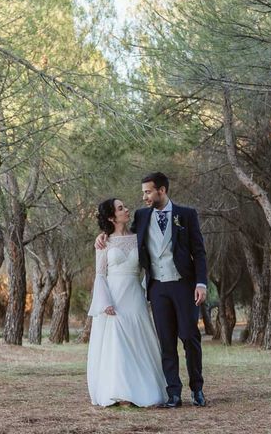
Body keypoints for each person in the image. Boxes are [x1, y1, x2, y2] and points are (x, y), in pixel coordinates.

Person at [96, 172, 208, 408]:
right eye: (143, 192)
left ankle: (197, 388)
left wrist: (201, 283)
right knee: (166, 342)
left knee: (189, 337)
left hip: (183, 284)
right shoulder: (142, 216)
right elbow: (125, 238)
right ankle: (173, 393)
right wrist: (102, 235)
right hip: (157, 288)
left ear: (162, 190)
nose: (144, 196)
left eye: (148, 191)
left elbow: (198, 251)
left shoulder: (186, 215)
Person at [87, 198, 167, 407]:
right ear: (112, 217)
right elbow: (100, 274)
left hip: (134, 294)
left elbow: (149, 266)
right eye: (121, 208)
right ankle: (120, 393)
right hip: (114, 296)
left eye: (124, 207)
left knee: (138, 338)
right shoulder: (104, 242)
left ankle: (145, 389)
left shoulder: (138, 238)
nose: (126, 210)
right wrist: (105, 302)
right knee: (117, 342)